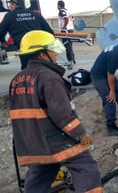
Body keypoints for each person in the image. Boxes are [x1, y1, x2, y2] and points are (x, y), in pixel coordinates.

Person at [9, 30, 103, 192]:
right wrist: (80, 133)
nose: (54, 54)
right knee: (85, 166)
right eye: (51, 50)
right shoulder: (49, 77)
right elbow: (61, 113)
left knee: (42, 173)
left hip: (32, 141)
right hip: (55, 140)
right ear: (42, 54)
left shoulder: (17, 80)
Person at [0, 0, 54, 69]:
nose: (9, 7)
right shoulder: (35, 14)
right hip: (40, 47)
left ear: (14, 4)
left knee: (27, 69)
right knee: (45, 66)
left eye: (10, 4)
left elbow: (1, 31)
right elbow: (49, 31)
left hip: (25, 48)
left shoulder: (10, 16)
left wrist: (3, 42)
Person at [57, 0, 76, 65]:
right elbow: (73, 19)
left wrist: (64, 27)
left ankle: (70, 60)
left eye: (57, 5)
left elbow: (66, 19)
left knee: (67, 45)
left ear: (59, 5)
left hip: (65, 30)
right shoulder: (68, 11)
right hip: (70, 29)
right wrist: (71, 26)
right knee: (70, 45)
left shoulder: (61, 11)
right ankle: (72, 59)